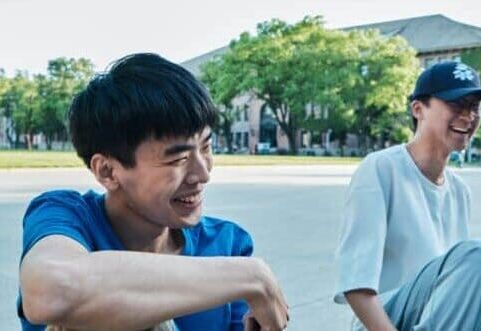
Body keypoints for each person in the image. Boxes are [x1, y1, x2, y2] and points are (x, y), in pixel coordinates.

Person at [17, 53, 288, 331]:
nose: (202, 174)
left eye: (206, 147)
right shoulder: (68, 218)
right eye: (178, 159)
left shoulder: (226, 243)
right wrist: (253, 276)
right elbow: (51, 292)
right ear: (108, 171)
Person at [334, 61, 481, 331]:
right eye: (457, 104)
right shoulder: (381, 169)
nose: (468, 116)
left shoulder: (458, 190)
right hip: (386, 320)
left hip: (438, 316)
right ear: (418, 109)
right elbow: (356, 286)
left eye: (475, 107)